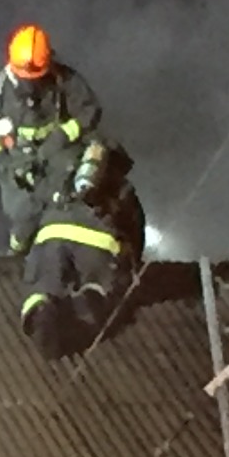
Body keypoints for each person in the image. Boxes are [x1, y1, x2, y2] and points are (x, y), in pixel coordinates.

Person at [0, 23, 106, 252]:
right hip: (16, 160)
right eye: (24, 77)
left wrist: (62, 136)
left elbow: (90, 110)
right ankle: (17, 252)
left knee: (66, 200)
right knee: (23, 211)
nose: (30, 83)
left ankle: (64, 249)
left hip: (56, 154)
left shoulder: (65, 81)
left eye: (35, 77)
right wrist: (5, 163)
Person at [16, 142, 144, 361]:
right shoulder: (123, 188)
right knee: (98, 289)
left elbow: (30, 210)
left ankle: (43, 317)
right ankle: (84, 310)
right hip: (99, 244)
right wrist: (132, 264)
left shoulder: (59, 177)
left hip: (52, 236)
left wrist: (18, 242)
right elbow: (135, 230)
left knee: (41, 287)